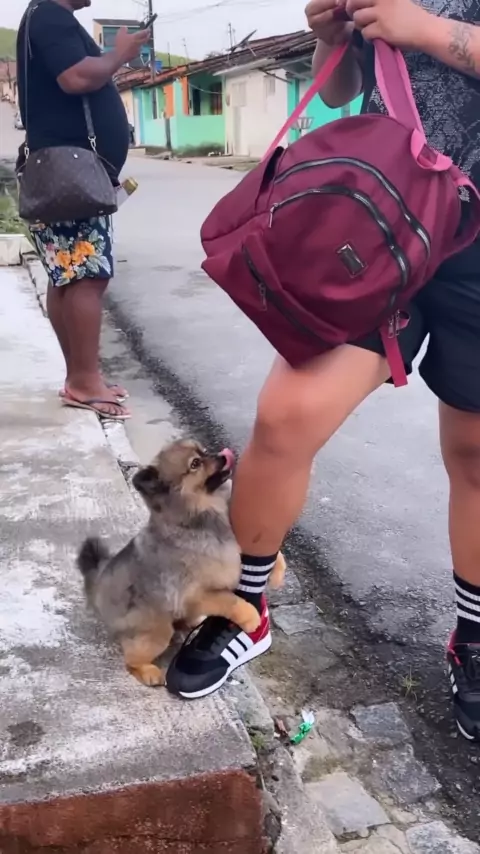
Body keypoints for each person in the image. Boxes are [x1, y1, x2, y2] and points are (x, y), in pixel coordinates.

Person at [167, 0, 480, 743]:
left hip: (474, 242)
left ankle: (473, 636)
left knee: (474, 453)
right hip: (381, 218)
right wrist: (329, 37)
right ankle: (245, 608)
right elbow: (341, 90)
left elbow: (426, 38)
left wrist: (424, 29)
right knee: (287, 418)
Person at [16, 0, 150, 419]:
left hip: (60, 170)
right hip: (70, 172)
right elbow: (75, 77)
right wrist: (119, 55)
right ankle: (83, 381)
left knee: (67, 275)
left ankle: (81, 375)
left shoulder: (42, 16)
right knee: (87, 276)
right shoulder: (50, 15)